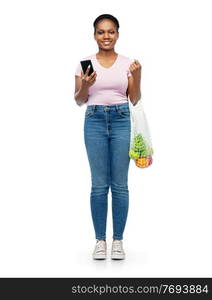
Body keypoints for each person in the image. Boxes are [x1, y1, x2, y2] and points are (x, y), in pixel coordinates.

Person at [74, 14, 141, 260]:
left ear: (117, 34)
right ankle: (100, 240)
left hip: (122, 119)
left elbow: (133, 99)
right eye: (101, 32)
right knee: (99, 185)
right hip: (94, 121)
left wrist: (138, 74)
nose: (106, 36)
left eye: (111, 31)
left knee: (120, 185)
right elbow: (79, 100)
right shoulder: (85, 64)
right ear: (94, 35)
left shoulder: (128, 63)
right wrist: (85, 85)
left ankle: (118, 241)